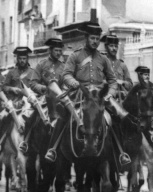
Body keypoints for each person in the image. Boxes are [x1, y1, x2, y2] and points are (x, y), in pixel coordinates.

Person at [45, 22, 130, 165]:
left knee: (117, 116)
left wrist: (110, 93)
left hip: (99, 96)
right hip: (79, 94)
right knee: (63, 114)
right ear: (86, 38)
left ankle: (121, 152)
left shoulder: (103, 59)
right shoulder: (75, 55)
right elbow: (66, 74)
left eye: (97, 39)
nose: (95, 41)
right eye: (92, 38)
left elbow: (112, 81)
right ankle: (52, 149)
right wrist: (72, 82)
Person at [0, 47, 35, 150]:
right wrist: (12, 88)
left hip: (28, 104)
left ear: (27, 59)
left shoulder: (33, 72)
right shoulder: (11, 72)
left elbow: (36, 86)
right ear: (17, 59)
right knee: (3, 118)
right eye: (20, 58)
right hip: (14, 103)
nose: (22, 61)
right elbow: (4, 87)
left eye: (24, 58)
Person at [30, 38, 65, 121]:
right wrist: (43, 88)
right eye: (56, 50)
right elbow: (33, 83)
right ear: (50, 50)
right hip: (44, 99)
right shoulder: (41, 64)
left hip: (60, 100)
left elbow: (66, 83)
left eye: (60, 51)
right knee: (31, 117)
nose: (58, 53)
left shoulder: (64, 67)